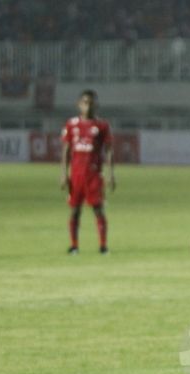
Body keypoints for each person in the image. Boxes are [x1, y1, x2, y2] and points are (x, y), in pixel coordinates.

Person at [61, 89, 115, 254]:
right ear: (79, 105)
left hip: (94, 175)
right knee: (75, 210)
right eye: (85, 102)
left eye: (91, 103)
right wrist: (64, 174)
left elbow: (108, 150)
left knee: (98, 209)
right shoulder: (71, 124)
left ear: (96, 105)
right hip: (76, 175)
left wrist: (111, 173)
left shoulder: (102, 126)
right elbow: (66, 150)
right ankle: (74, 246)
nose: (88, 106)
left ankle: (103, 246)